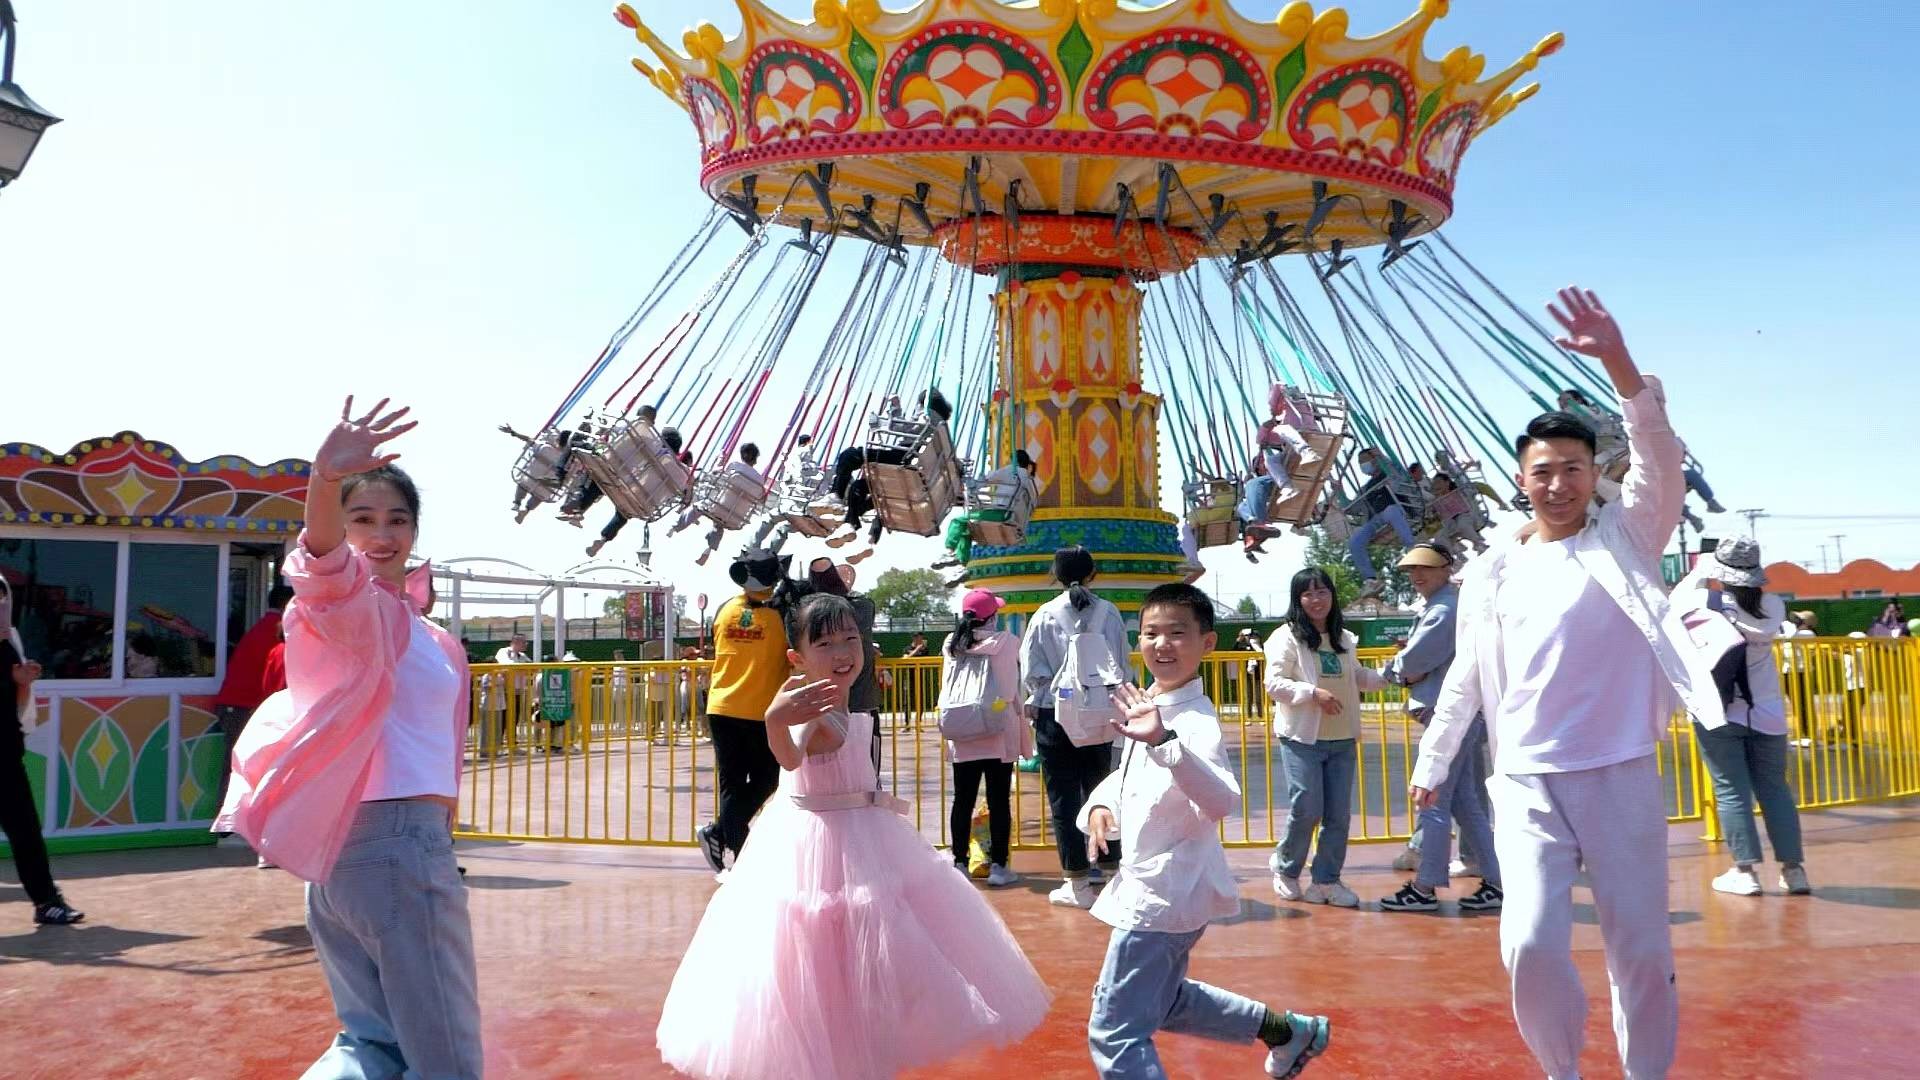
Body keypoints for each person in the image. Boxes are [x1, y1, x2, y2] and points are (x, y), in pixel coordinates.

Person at [1411, 287, 1710, 1080]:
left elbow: (1659, 455)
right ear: (1522, 479)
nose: (1557, 484)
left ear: (1592, 475)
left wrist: (1614, 356)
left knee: (1640, 948)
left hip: (1618, 773)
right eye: (1542, 471)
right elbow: (1467, 675)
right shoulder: (1493, 569)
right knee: (1531, 942)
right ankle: (1562, 1070)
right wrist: (1433, 762)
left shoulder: (1631, 536)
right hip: (1526, 780)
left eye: (1572, 469)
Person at [655, 593, 1050, 1080]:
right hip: (817, 847)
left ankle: (862, 1053)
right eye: (825, 643)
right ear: (797, 657)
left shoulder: (844, 701)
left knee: (868, 966)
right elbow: (790, 755)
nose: (843, 653)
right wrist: (777, 720)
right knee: (820, 960)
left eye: (850, 640)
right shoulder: (808, 707)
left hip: (865, 836)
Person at [218, 396, 480, 1077]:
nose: (382, 533)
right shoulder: (348, 612)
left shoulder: (435, 639)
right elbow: (325, 576)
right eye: (362, 519)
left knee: (371, 1044)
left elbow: (445, 752)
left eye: (397, 519)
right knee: (443, 1054)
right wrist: (323, 483)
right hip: (392, 848)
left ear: (416, 530)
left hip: (361, 853)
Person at [1079, 583, 1331, 1079]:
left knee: (1116, 1030)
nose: (1162, 644)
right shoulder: (1153, 702)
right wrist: (1101, 806)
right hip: (1167, 889)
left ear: (1207, 644)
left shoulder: (1194, 721)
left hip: (1161, 895)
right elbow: (1128, 775)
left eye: (1178, 633)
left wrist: (1164, 741)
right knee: (1163, 1000)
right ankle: (1286, 1031)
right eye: (1151, 633)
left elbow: (1222, 799)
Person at [1672, 538, 1811, 897]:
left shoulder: (1706, 603)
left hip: (1719, 711)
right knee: (1776, 789)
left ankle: (1744, 872)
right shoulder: (1774, 607)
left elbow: (1675, 601)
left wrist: (1703, 569)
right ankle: (1794, 871)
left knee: (1732, 791)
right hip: (1768, 713)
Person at [1377, 543, 1502, 913]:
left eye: (1426, 568)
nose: (1417, 576)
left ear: (1446, 569)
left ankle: (1426, 886)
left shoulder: (1444, 610)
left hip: (1447, 717)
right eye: (1413, 569)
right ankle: (1497, 881)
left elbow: (1417, 658)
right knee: (1465, 804)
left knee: (1431, 800)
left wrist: (1393, 671)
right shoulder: (1446, 605)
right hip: (1457, 716)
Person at [1262, 567, 1386, 908]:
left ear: (1333, 596)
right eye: (1308, 593)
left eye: (1322, 592)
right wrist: (1312, 693)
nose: (1316, 600)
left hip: (1343, 737)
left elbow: (1357, 676)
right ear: (1297, 599)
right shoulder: (1286, 638)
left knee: (1338, 815)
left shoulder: (1344, 638)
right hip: (1303, 738)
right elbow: (1273, 684)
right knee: (1307, 806)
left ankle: (1326, 881)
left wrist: (1392, 674)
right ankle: (1286, 869)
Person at [1021, 546, 1129, 907]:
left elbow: (1032, 670)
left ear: (1055, 572)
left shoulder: (1045, 615)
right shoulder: (1109, 613)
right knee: (1104, 793)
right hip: (1101, 714)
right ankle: (1115, 873)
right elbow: (1122, 666)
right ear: (1093, 573)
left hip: (1057, 716)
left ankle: (1077, 883)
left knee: (1064, 799)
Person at [694, 549, 795, 879]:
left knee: (733, 786)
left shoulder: (727, 610)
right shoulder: (782, 614)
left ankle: (729, 844)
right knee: (767, 779)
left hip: (723, 706)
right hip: (760, 709)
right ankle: (735, 851)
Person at [1, 578, 84, 925]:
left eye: (4, 603)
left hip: (5, 754)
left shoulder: (8, 646)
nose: (2, 611)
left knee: (26, 831)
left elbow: (18, 705)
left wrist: (24, 682)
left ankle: (47, 901)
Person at [940, 589, 1029, 888]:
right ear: (992, 616)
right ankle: (1000, 867)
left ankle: (960, 863)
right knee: (998, 800)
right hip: (997, 731)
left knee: (962, 800)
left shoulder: (951, 644)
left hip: (962, 733)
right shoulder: (1007, 642)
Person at [827, 388, 954, 550]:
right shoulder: (941, 428)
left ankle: (837, 495)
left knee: (849, 455)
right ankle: (855, 527)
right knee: (860, 487)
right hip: (915, 473)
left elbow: (907, 428)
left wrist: (895, 408)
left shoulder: (928, 415)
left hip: (902, 458)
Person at [212, 584, 295, 820]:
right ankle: (229, 823)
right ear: (285, 605)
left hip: (241, 705)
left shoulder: (265, 628)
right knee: (240, 766)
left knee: (243, 764)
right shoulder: (276, 634)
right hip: (242, 706)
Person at [935, 451, 1038, 585]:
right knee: (967, 531)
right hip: (1014, 519)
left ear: (1013, 461)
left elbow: (985, 480)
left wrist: (971, 482)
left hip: (1000, 514)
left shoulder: (1010, 471)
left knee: (958, 521)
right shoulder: (1030, 481)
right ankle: (961, 566)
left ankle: (949, 551)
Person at [582, 426, 685, 557]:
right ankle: (603, 539)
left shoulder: (651, 452)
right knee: (624, 514)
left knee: (601, 481)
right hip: (644, 505)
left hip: (629, 490)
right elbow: (685, 493)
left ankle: (579, 508)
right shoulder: (681, 471)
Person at [674, 442, 767, 567]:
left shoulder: (734, 466)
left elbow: (718, 475)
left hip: (719, 506)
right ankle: (708, 550)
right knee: (720, 524)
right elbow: (761, 499)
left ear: (742, 455)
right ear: (755, 459)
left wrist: (719, 462)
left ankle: (676, 527)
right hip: (736, 517)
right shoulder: (760, 480)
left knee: (699, 507)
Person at [1346, 447, 1417, 598]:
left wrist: (1383, 457)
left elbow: (1400, 475)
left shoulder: (1389, 474)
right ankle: (1370, 579)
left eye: (1365, 460)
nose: (1363, 465)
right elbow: (1353, 506)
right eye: (1360, 462)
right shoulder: (1366, 487)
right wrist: (1339, 494)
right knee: (1354, 542)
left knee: (1390, 510)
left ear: (1374, 459)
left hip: (1395, 509)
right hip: (1376, 519)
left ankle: (1412, 547)